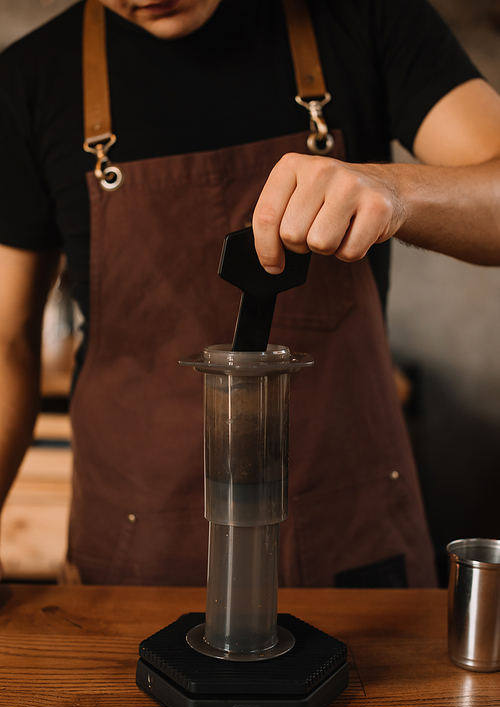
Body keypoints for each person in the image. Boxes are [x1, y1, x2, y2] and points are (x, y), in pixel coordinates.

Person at [1, 0, 500, 587]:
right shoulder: (29, 81)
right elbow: (5, 343)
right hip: (138, 554)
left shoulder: (366, 17)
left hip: (354, 544)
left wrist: (395, 191)